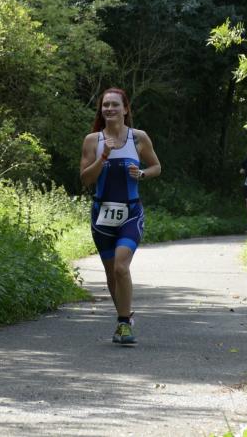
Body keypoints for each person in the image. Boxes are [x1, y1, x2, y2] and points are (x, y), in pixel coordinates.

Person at [79, 88, 161, 345]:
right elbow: (85, 179)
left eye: (115, 105)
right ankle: (124, 318)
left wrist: (143, 174)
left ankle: (124, 324)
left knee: (121, 267)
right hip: (101, 215)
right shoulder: (93, 140)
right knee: (111, 274)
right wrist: (103, 156)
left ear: (125, 109)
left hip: (130, 213)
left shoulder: (138, 138)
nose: (109, 109)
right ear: (101, 110)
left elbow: (156, 166)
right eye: (105, 105)